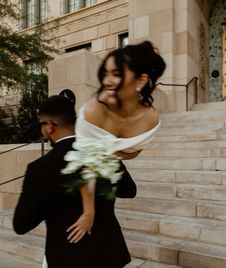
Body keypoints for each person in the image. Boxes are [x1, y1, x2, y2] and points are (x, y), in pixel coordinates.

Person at [13, 95, 136, 268]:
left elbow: (21, 224)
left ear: (49, 126)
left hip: (68, 258)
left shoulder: (40, 168)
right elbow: (129, 190)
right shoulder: (101, 152)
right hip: (110, 255)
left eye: (41, 123)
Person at [67, 40, 166, 243]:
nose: (107, 81)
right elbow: (85, 166)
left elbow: (134, 151)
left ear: (140, 81)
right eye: (105, 73)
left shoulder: (150, 119)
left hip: (106, 168)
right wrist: (88, 213)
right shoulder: (93, 111)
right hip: (78, 170)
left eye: (117, 74)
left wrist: (109, 152)